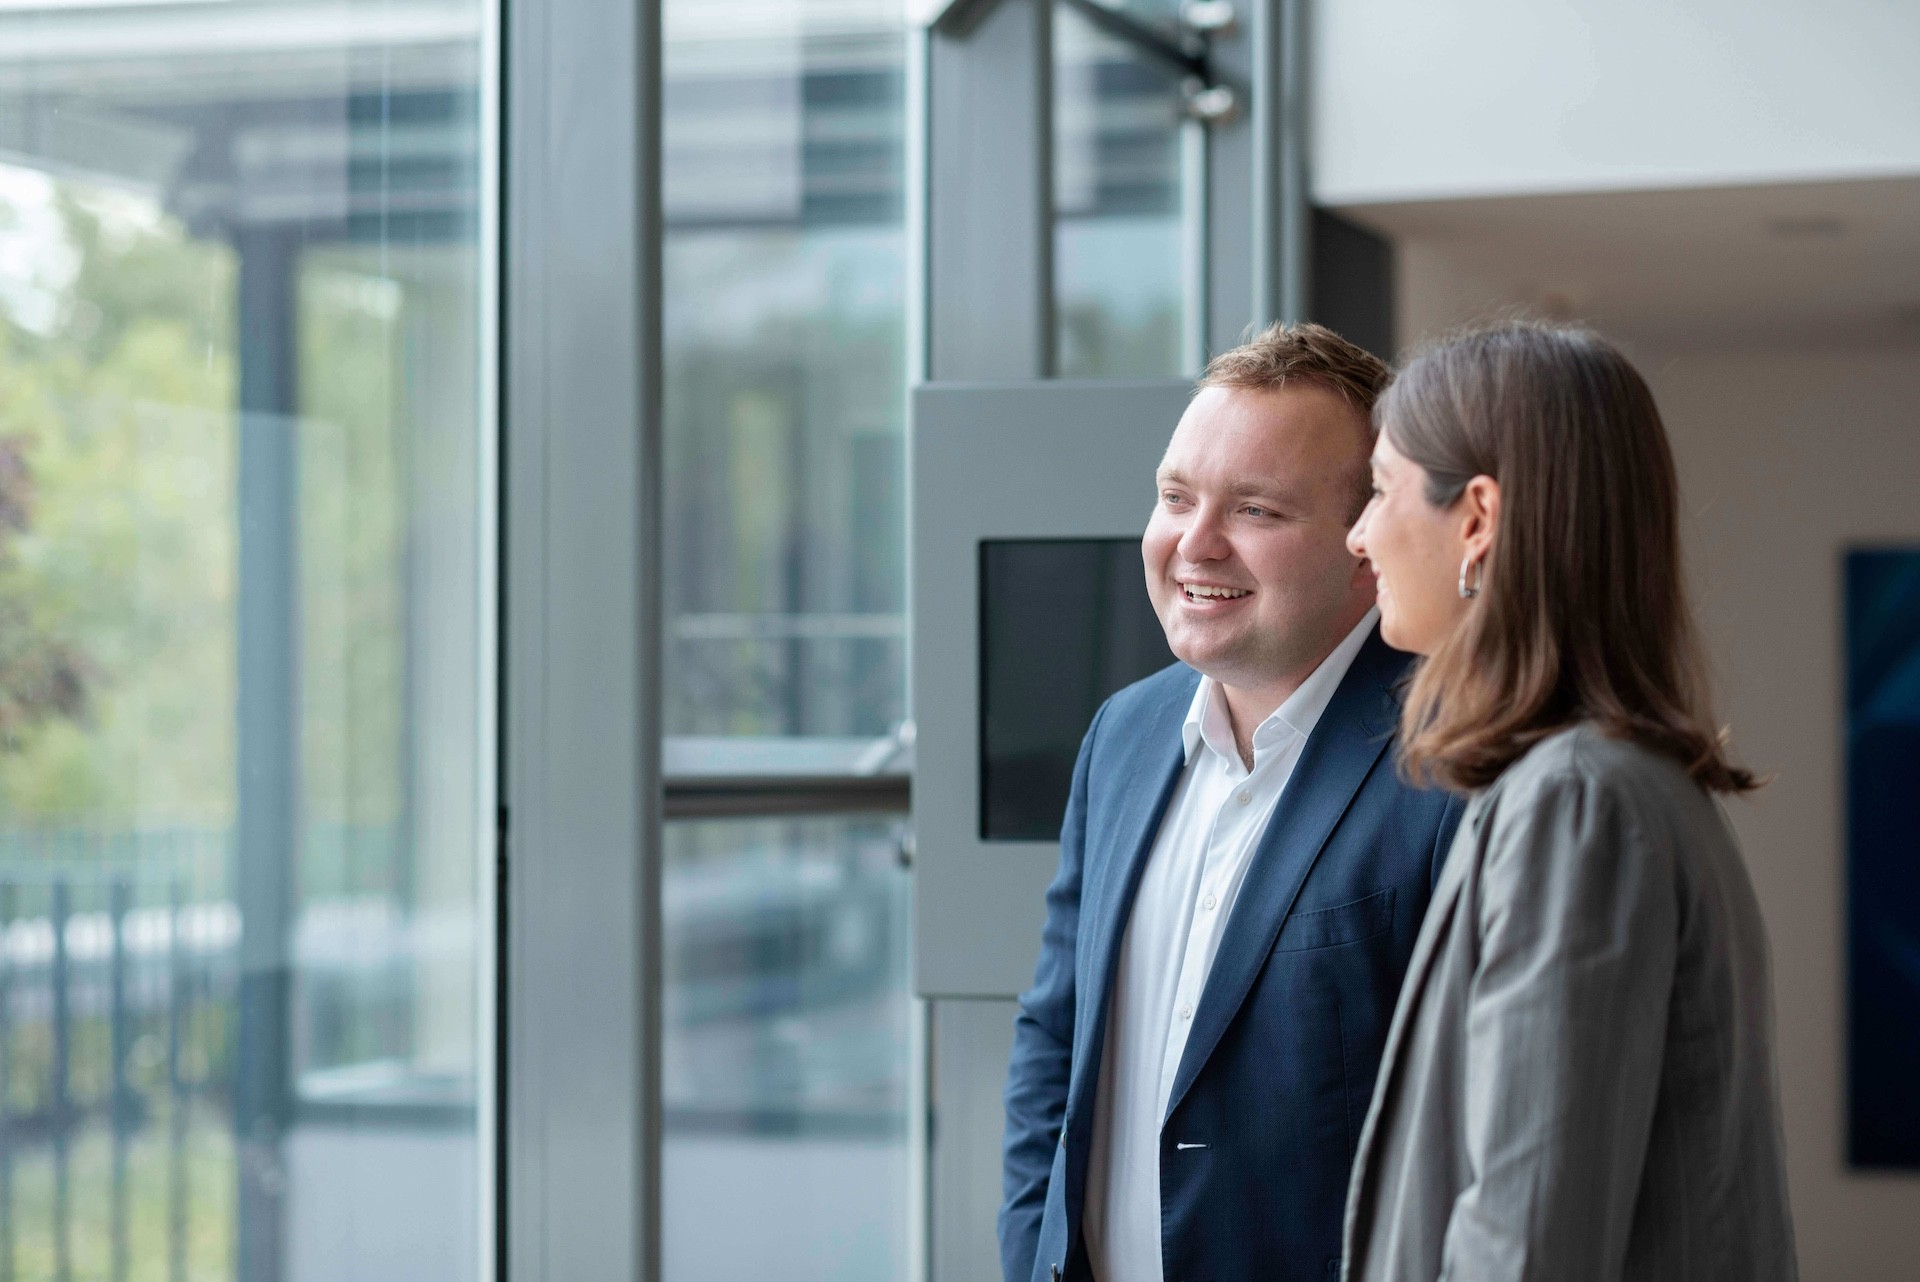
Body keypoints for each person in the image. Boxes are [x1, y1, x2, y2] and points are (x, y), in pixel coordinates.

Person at [1000, 323, 1466, 1282]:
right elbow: (1056, 1036)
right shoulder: (1121, 737)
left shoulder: (1457, 759)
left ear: (1364, 545)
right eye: (1176, 497)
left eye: (1254, 509)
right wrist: (1028, 1253)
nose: (1193, 543)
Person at [1340, 322, 1797, 1281]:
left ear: (1477, 518)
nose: (1359, 534)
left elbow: (1528, 1240)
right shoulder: (1602, 788)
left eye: (1379, 490)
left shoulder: (1576, 805)